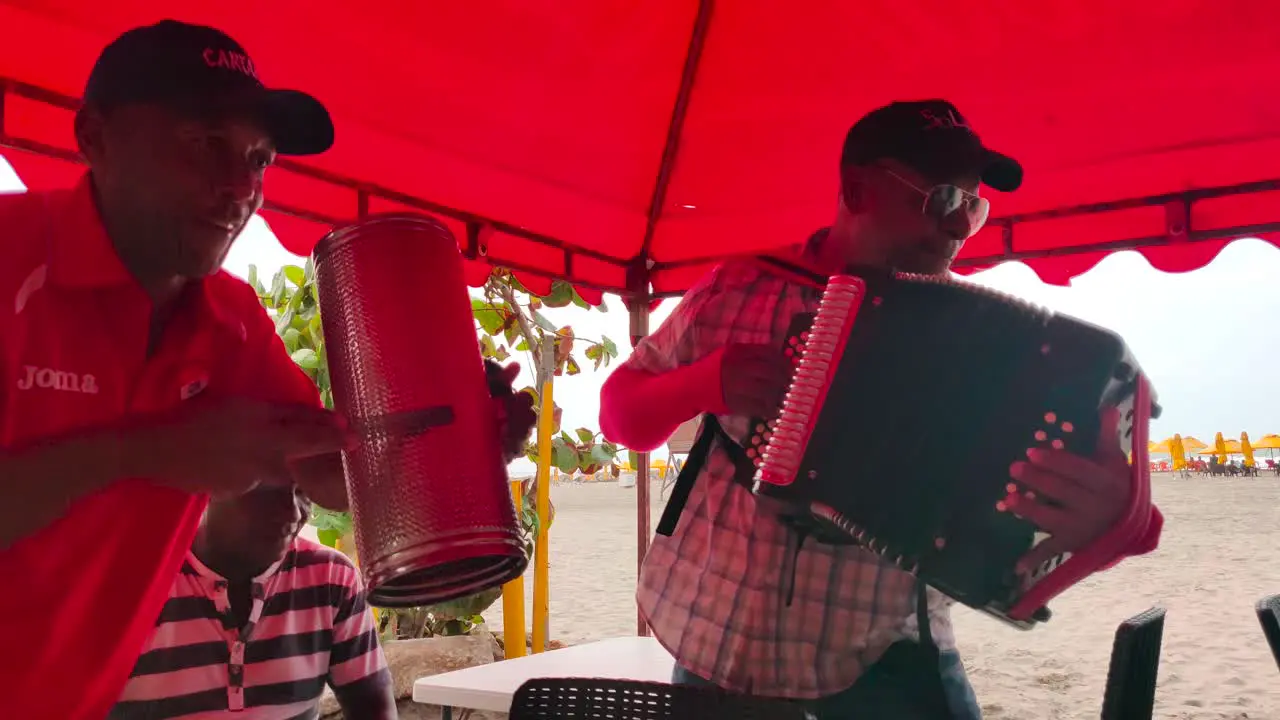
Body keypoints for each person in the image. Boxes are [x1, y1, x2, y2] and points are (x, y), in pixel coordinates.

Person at [0, 20, 535, 720]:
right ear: (94, 137)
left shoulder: (232, 320)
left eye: (258, 158)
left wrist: (456, 450)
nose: (237, 187)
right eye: (203, 143)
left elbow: (325, 473)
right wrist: (151, 452)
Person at [599, 100, 1164, 718]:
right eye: (941, 199)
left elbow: (1040, 522)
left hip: (879, 658)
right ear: (856, 190)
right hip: (714, 642)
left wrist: (1121, 521)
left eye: (971, 209)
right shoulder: (739, 287)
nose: (956, 228)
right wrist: (706, 384)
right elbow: (620, 417)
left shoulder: (978, 339)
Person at [111, 484, 395, 719]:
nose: (294, 512)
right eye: (269, 488)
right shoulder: (135, 582)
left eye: (304, 490)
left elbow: (371, 706)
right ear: (212, 482)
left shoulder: (331, 579)